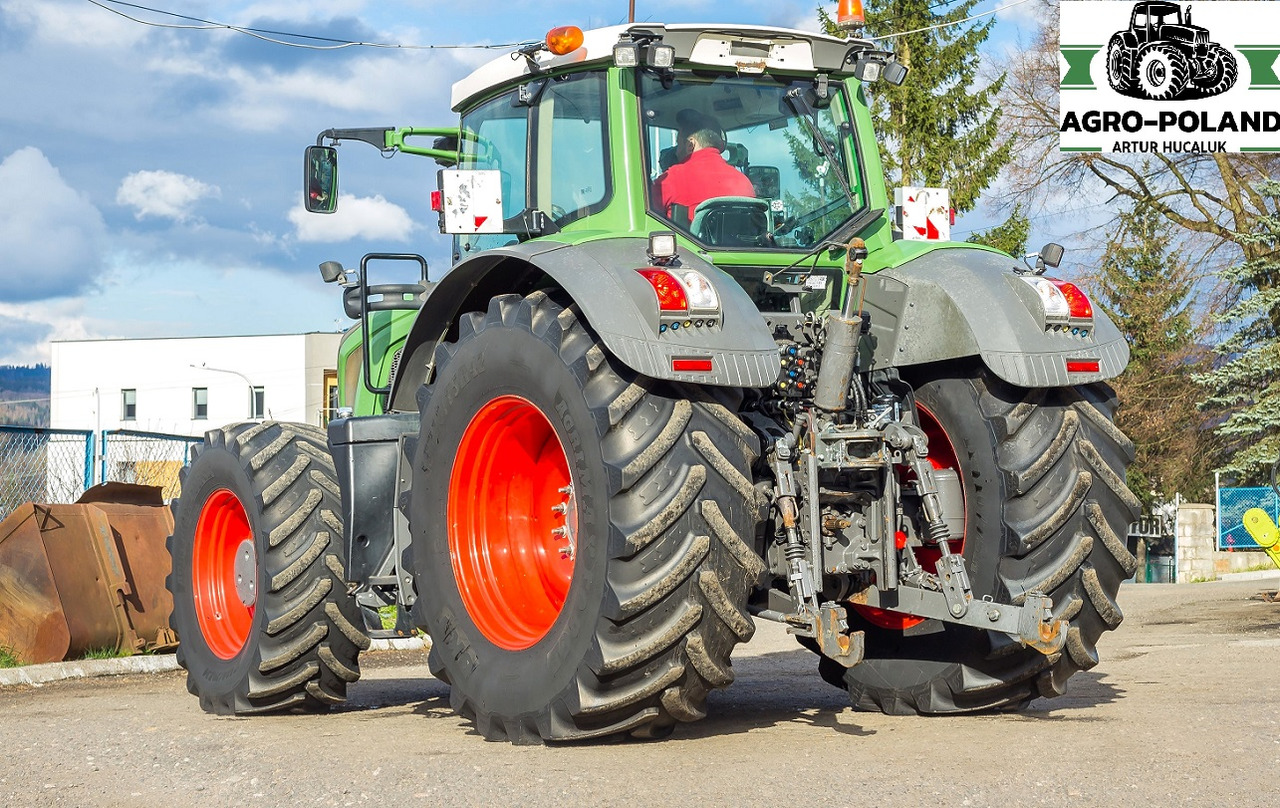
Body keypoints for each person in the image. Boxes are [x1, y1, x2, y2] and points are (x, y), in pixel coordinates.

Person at [653, 109, 755, 224]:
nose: (676, 152)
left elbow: (646, 220)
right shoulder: (744, 182)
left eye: (678, 143)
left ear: (690, 144)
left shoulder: (671, 179)